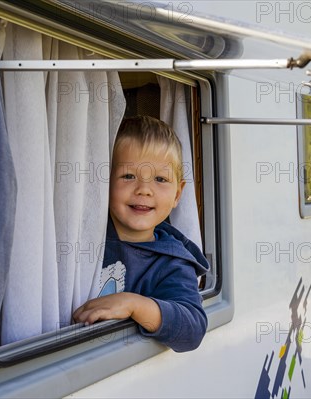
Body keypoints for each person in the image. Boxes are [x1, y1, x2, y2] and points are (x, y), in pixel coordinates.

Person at [73, 115, 209, 352]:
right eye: (128, 176)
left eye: (160, 179)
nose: (144, 189)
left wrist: (135, 305)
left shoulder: (172, 263)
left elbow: (192, 329)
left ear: (178, 193)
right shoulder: (81, 233)